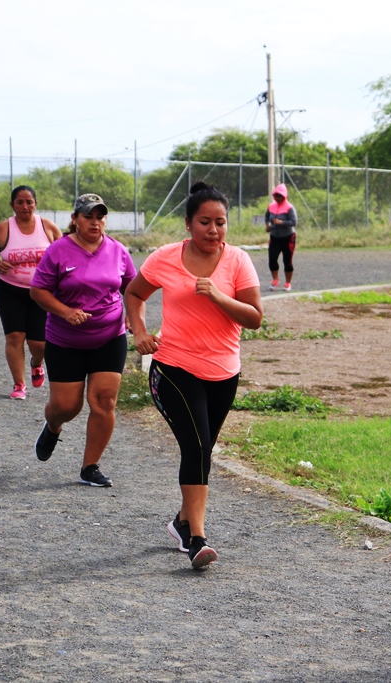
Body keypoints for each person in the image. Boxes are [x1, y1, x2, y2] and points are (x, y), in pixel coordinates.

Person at [125, 182, 262, 569]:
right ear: (188, 223)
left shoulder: (237, 261)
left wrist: (219, 296)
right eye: (205, 221)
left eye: (221, 222)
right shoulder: (165, 258)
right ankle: (196, 538)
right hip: (173, 368)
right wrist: (139, 332)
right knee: (198, 447)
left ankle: (180, 520)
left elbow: (254, 318)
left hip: (223, 373)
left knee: (202, 451)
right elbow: (134, 294)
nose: (213, 230)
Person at [29, 194, 137, 488]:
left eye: (100, 217)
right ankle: (53, 425)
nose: (95, 222)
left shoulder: (117, 250)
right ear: (75, 219)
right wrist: (66, 312)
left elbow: (133, 287)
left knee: (104, 401)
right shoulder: (58, 251)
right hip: (66, 340)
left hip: (109, 337)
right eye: (88, 216)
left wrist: (131, 317)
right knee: (68, 406)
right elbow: (38, 291)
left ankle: (90, 467)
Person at [0, 185, 62, 399]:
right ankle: (19, 384)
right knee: (15, 336)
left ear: (36, 204)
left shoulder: (48, 227)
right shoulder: (3, 229)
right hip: (10, 291)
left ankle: (37, 364)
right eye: (20, 202)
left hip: (42, 292)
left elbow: (64, 255)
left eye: (29, 202)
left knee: (40, 343)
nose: (25, 206)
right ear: (12, 205)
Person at [264, 182, 297, 291]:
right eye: (276, 196)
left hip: (288, 237)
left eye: (280, 196)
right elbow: (267, 217)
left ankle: (288, 282)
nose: (278, 198)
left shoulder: (289, 207)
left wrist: (281, 222)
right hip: (274, 237)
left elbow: (293, 222)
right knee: (272, 259)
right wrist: (268, 225)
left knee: (287, 260)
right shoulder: (271, 206)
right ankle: (275, 280)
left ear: (284, 196)